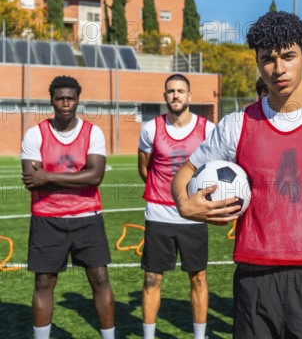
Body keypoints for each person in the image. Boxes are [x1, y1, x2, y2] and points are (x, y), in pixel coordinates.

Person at [172, 10, 302, 338]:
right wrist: (184, 205)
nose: (279, 68)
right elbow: (184, 174)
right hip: (254, 279)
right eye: (268, 59)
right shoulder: (237, 124)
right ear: (257, 62)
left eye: (288, 56)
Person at [21, 75, 115, 339]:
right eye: (60, 98)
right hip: (46, 219)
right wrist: (77, 176)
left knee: (99, 279)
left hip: (87, 217)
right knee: (44, 281)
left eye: (70, 98)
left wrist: (49, 176)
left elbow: (95, 176)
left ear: (77, 101)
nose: (65, 103)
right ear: (51, 100)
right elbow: (32, 183)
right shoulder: (34, 134)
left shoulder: (92, 132)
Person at [138, 74, 216, 339]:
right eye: (170, 91)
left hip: (193, 216)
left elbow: (215, 169)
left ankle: (199, 335)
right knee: (152, 279)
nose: (175, 95)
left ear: (189, 96)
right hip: (159, 214)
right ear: (164, 96)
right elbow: (144, 168)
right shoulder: (151, 128)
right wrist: (166, 193)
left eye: (180, 91)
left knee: (199, 278)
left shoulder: (208, 129)